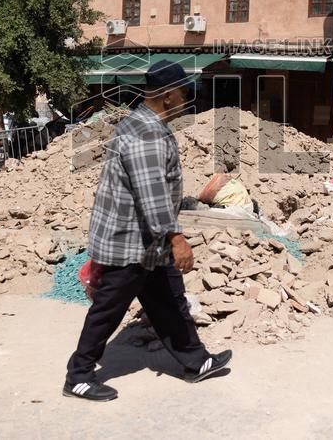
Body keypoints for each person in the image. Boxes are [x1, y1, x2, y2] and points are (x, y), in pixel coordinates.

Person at [63, 60, 231, 402]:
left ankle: (195, 362)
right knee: (108, 308)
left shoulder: (140, 124)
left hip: (146, 241)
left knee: (167, 300)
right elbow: (151, 190)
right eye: (183, 93)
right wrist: (176, 237)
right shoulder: (147, 133)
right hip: (131, 242)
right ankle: (78, 375)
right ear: (168, 96)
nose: (187, 100)